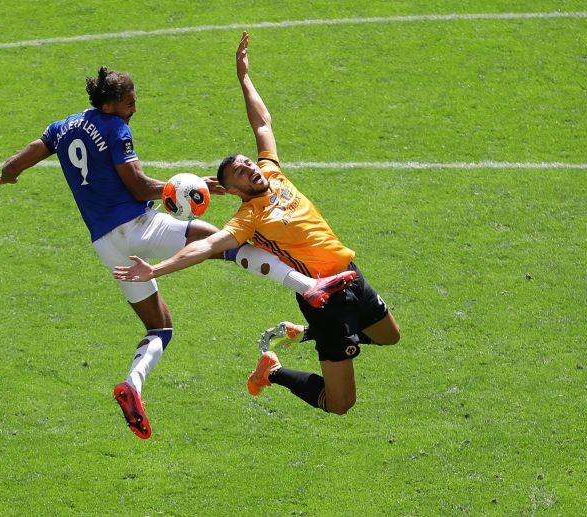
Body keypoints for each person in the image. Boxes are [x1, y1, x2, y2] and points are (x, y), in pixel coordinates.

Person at [0, 66, 353, 439]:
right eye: (130, 102)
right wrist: (185, 188)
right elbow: (137, 187)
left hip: (105, 244)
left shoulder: (62, 126)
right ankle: (307, 285)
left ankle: (133, 383)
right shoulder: (115, 128)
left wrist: (7, 174)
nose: (135, 108)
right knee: (224, 243)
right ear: (112, 104)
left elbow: (21, 160)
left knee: (159, 326)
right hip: (138, 227)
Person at [114, 32, 401, 416]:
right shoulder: (249, 219)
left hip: (350, 275)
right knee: (340, 403)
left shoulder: (272, 173)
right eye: (240, 173)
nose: (250, 167)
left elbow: (263, 125)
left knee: (389, 337)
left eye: (247, 162)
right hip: (323, 299)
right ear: (233, 191)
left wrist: (244, 78)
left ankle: (303, 335)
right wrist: (157, 269)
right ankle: (274, 372)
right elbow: (206, 247)